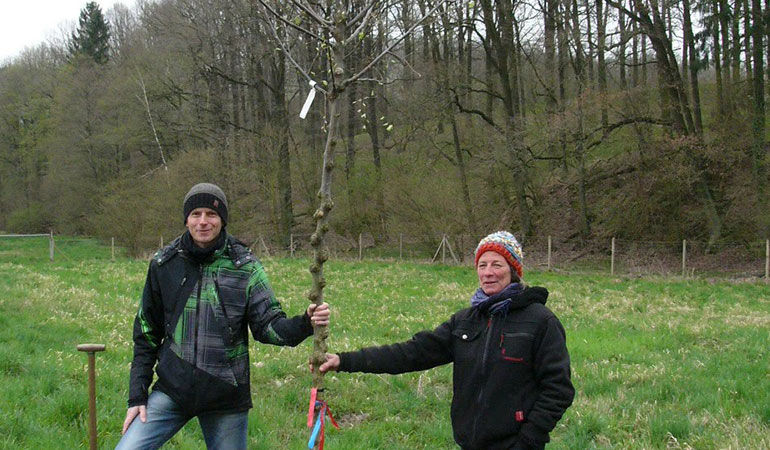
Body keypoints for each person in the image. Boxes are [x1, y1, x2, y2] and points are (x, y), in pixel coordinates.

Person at [116, 183, 330, 450]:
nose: (203, 222)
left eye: (211, 214)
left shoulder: (245, 266)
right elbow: (146, 334)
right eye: (196, 214)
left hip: (226, 398)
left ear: (222, 219)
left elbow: (268, 326)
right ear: (186, 219)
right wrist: (137, 397)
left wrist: (306, 322)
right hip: (172, 391)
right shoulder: (164, 264)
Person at [314, 231, 574, 450]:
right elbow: (411, 353)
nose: (488, 273)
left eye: (497, 265)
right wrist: (344, 361)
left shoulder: (540, 321)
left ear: (514, 270)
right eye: (482, 265)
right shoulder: (465, 321)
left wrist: (528, 440)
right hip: (469, 443)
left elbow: (558, 390)